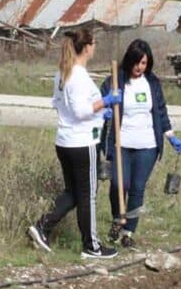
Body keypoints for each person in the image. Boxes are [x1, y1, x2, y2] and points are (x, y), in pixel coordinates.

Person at [28, 28, 120, 259]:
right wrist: (105, 102)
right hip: (81, 142)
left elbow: (61, 105)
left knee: (74, 193)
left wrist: (101, 114)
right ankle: (92, 246)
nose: (95, 47)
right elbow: (80, 111)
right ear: (87, 47)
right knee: (88, 194)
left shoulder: (63, 73)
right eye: (95, 43)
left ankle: (42, 226)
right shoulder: (77, 75)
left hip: (65, 140)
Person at [99, 39, 181, 248]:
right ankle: (117, 218)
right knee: (119, 184)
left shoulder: (152, 83)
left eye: (144, 63)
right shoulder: (115, 81)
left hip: (147, 145)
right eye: (137, 63)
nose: (140, 68)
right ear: (129, 61)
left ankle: (128, 231)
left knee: (138, 188)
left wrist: (171, 136)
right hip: (121, 143)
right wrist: (106, 110)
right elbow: (99, 102)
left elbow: (161, 111)